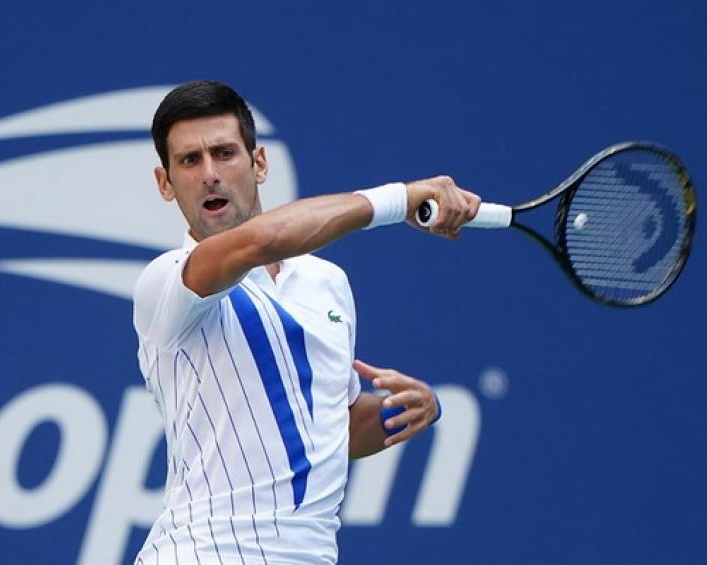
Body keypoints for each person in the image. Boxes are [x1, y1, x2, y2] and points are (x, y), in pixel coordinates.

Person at [132, 80, 480, 565]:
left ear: (259, 163)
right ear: (165, 183)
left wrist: (406, 411)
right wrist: (399, 199)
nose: (210, 174)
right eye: (190, 161)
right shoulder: (166, 283)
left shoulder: (327, 284)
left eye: (225, 153)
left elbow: (330, 434)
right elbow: (261, 241)